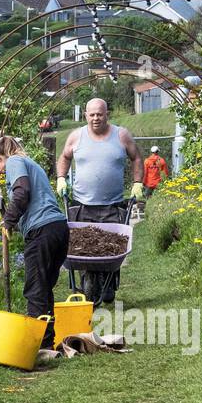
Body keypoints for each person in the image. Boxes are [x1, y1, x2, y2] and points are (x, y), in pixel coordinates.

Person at [0, 135, 69, 351]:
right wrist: (7, 212)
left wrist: (8, 221)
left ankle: (36, 347)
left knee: (35, 290)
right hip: (58, 228)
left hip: (42, 231)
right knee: (44, 289)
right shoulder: (30, 163)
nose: (0, 174)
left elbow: (22, 192)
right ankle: (47, 344)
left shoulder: (14, 161)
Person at [55, 98, 143, 305]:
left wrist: (137, 182)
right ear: (86, 115)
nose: (96, 118)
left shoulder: (121, 135)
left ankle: (110, 282)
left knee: (112, 247)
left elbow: (137, 158)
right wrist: (61, 178)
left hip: (112, 204)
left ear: (107, 114)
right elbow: (65, 157)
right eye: (92, 114)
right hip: (82, 204)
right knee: (82, 249)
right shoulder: (76, 136)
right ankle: (88, 284)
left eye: (99, 114)